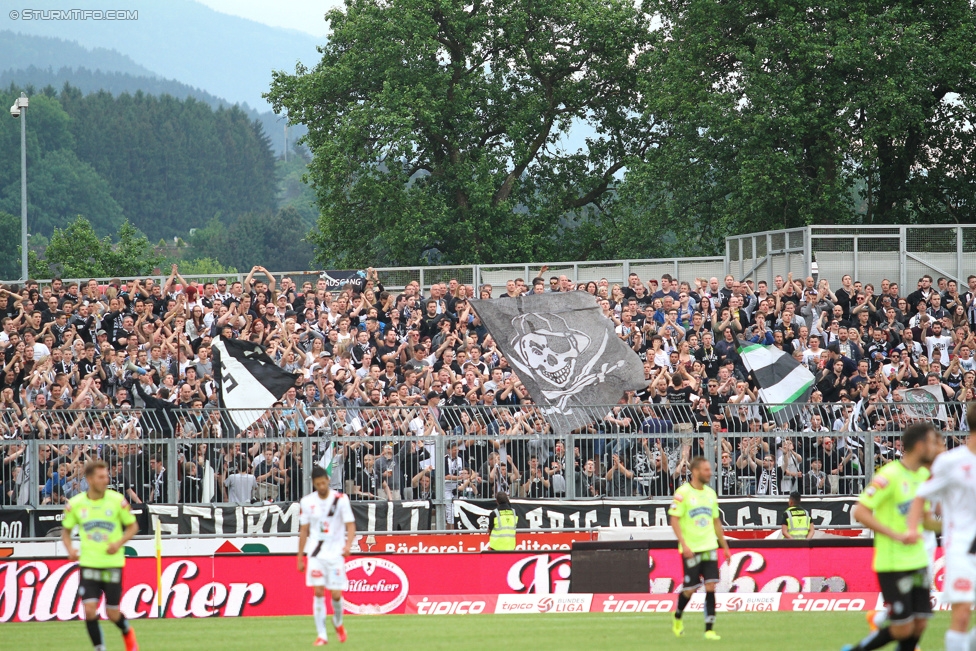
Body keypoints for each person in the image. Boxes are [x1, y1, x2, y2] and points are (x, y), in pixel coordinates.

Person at [840, 422, 939, 651]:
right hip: (893, 562)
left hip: (918, 560)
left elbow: (925, 520)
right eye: (932, 443)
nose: (935, 448)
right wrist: (895, 534)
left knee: (920, 623)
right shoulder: (889, 475)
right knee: (902, 627)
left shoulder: (924, 475)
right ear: (920, 445)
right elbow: (860, 511)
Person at [905, 404, 976, 651]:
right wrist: (913, 528)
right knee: (962, 614)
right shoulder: (950, 462)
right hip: (961, 548)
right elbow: (921, 495)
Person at [60, 459, 140, 651]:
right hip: (88, 564)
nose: (106, 480)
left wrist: (118, 543)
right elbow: (66, 532)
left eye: (106, 476)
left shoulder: (116, 500)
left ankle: (127, 633)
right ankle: (100, 648)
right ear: (89, 479)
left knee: (112, 612)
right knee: (89, 610)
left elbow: (133, 526)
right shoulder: (76, 504)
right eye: (101, 477)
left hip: (112, 563)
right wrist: (70, 549)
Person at [669, 457, 731, 641]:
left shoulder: (711, 494)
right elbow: (674, 519)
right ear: (696, 472)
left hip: (709, 546)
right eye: (706, 470)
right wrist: (684, 544)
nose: (710, 473)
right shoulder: (682, 493)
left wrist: (725, 547)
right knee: (690, 589)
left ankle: (709, 629)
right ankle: (678, 616)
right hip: (691, 549)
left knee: (711, 586)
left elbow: (715, 521)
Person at [297, 465, 356, 646]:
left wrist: (348, 545)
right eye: (318, 484)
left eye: (323, 483)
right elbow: (304, 530)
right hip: (316, 553)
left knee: (336, 595)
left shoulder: (341, 499)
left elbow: (351, 525)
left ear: (328, 480)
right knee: (319, 591)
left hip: (336, 553)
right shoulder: (307, 502)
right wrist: (300, 556)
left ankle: (337, 622)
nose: (321, 487)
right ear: (314, 484)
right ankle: (322, 635)